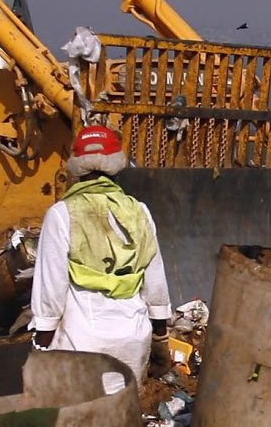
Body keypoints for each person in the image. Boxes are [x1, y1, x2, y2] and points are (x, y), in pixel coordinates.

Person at [30, 125, 170, 378]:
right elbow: (155, 279)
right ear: (116, 164)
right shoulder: (139, 211)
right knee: (125, 403)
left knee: (81, 403)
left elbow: (51, 287)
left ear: (76, 166)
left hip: (82, 342)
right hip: (133, 340)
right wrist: (161, 336)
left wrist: (41, 344)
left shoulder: (62, 214)